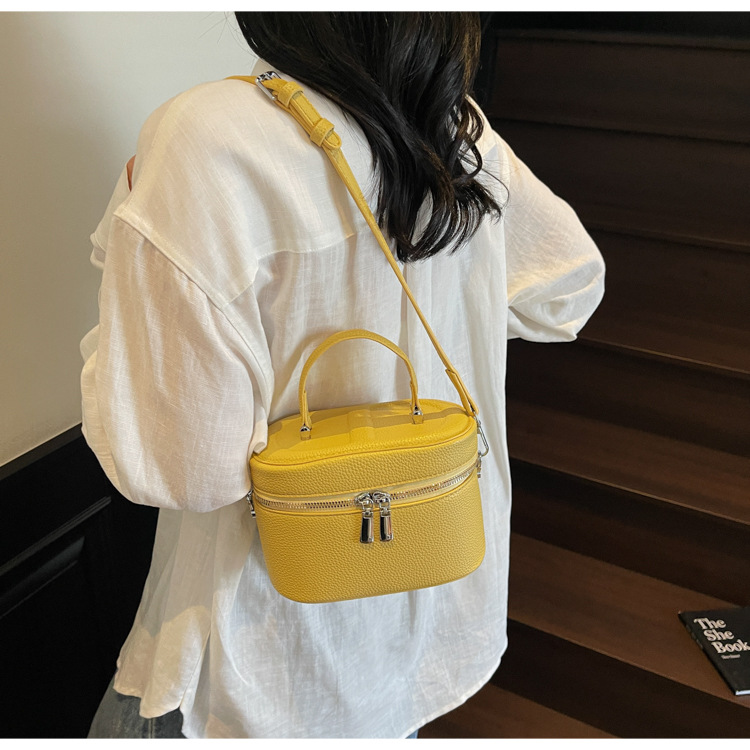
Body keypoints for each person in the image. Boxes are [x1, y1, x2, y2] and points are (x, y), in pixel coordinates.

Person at [82, 12, 605, 739]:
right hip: (414, 627)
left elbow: (185, 471)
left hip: (260, 661)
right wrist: (454, 305)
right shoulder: (452, 127)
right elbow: (569, 291)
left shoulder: (207, 137)